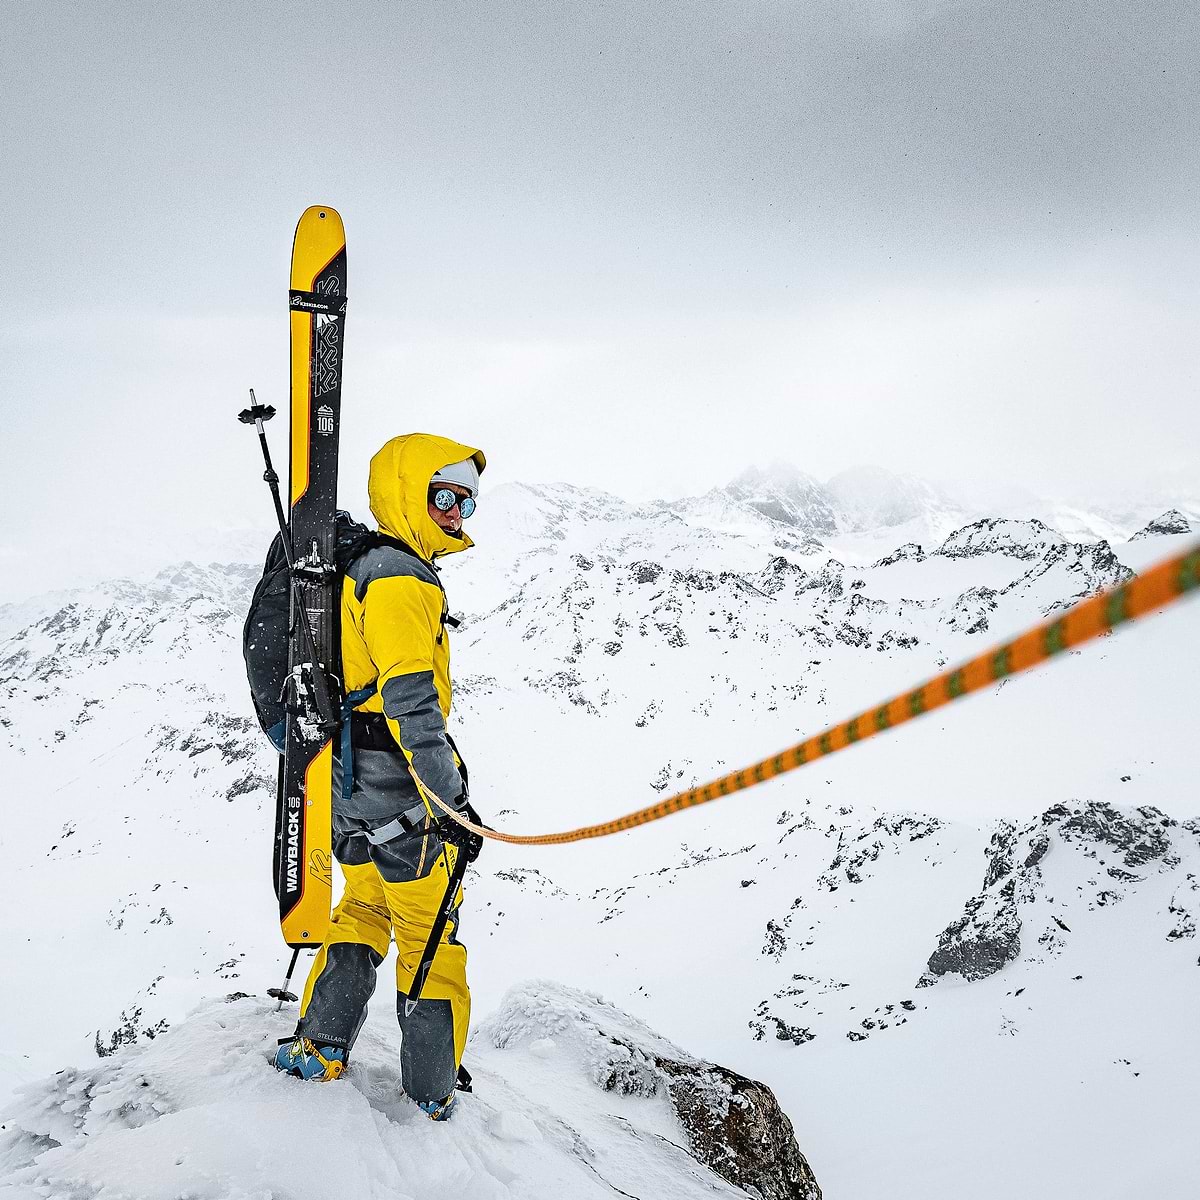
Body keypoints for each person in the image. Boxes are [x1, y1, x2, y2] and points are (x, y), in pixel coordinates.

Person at [273, 433, 485, 1121]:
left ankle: (320, 1047)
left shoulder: (354, 566)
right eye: (443, 495)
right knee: (429, 935)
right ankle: (432, 1093)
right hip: (401, 794)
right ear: (406, 491)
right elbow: (412, 707)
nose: (456, 511)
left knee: (363, 909)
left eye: (466, 501)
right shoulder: (400, 578)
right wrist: (453, 805)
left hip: (346, 786)